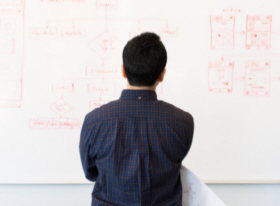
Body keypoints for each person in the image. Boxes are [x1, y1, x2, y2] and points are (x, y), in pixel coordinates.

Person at [79, 32, 194, 206]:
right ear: (162, 75)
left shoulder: (95, 121)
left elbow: (91, 173)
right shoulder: (183, 122)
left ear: (123, 70)